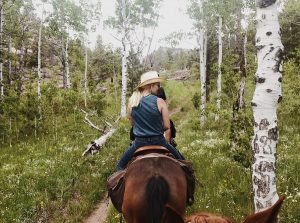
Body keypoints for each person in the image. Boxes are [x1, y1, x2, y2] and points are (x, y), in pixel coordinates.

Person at [117, 71, 184, 170]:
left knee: (120, 166)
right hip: (159, 141)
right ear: (151, 85)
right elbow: (166, 126)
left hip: (139, 143)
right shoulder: (160, 102)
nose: (158, 88)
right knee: (182, 163)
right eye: (157, 85)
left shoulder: (132, 102)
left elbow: (132, 123)